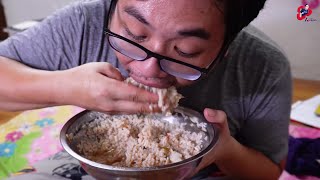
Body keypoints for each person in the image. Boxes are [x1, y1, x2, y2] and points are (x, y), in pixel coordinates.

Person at [0, 0, 292, 179]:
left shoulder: (264, 69)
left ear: (228, 46)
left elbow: (269, 170)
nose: (148, 70)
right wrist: (63, 87)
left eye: (185, 51)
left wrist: (226, 150)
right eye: (133, 34)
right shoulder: (84, 24)